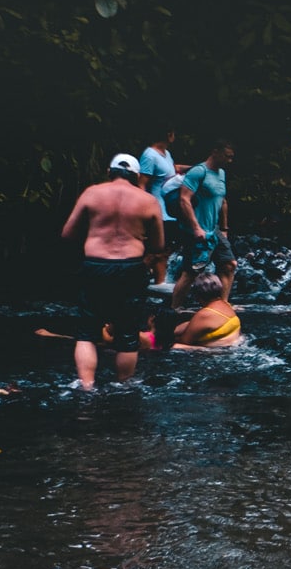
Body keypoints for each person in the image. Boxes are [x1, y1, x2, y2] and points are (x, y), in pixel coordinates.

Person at [61, 153, 164, 387]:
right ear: (137, 176)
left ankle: (87, 387)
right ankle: (123, 386)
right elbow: (159, 245)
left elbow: (67, 233)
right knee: (127, 333)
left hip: (95, 265)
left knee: (87, 332)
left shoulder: (92, 193)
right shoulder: (148, 201)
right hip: (130, 268)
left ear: (109, 172)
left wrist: (93, 234)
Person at [172, 141, 237, 306]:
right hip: (196, 230)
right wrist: (196, 228)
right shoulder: (199, 172)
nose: (230, 161)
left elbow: (222, 201)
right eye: (227, 156)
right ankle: (174, 309)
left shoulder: (221, 173)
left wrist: (224, 228)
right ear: (215, 152)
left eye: (231, 157)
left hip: (214, 229)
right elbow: (184, 199)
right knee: (191, 273)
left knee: (229, 264)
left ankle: (222, 305)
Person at [138, 130, 179, 284]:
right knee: (154, 252)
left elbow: (173, 170)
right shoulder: (149, 155)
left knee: (165, 251)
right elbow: (142, 184)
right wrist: (144, 212)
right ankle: (130, 278)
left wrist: (197, 168)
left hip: (169, 211)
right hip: (157, 209)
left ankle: (159, 284)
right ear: (168, 134)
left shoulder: (166, 154)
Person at [170, 274, 243, 348]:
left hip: (216, 350)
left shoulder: (204, 314)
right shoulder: (226, 305)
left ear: (197, 295)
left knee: (174, 346)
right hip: (235, 344)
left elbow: (185, 341)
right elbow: (193, 324)